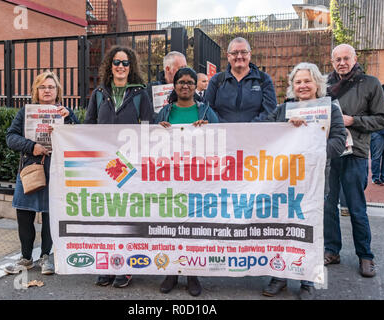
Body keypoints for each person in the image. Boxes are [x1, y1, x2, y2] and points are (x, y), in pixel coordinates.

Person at [262, 62, 346, 300]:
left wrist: (313, 153)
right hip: (284, 182)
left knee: (309, 230)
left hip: (315, 181)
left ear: (317, 83)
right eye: (298, 82)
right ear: (292, 86)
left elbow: (339, 141)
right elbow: (264, 132)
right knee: (281, 228)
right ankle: (279, 276)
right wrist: (284, 127)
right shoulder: (283, 109)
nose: (302, 86)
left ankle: (307, 280)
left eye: (307, 81)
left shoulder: (331, 109)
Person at [85, 45, 153, 287]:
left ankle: (124, 266)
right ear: (110, 65)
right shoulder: (99, 93)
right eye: (116, 62)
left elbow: (148, 129)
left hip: (129, 166)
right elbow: (89, 127)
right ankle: (106, 265)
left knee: (125, 217)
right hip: (104, 164)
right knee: (105, 217)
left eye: (125, 63)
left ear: (131, 66)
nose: (121, 67)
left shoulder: (141, 94)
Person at [324, 44, 384, 278]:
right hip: (330, 153)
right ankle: (332, 250)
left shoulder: (370, 83)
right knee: (328, 205)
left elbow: (383, 120)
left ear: (354, 59)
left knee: (356, 208)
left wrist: (353, 120)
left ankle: (365, 256)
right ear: (332, 62)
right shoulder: (324, 84)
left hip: (356, 153)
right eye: (337, 59)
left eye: (346, 58)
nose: (341, 63)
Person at [5, 71, 79, 275]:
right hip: (30, 170)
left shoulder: (65, 112)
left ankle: (46, 257)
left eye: (51, 87)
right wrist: (31, 146)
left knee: (49, 214)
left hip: (55, 170)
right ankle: (26, 258)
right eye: (43, 87)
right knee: (24, 213)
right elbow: (10, 137)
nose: (47, 90)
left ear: (58, 91)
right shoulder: (25, 112)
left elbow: (78, 137)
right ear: (36, 91)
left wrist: (70, 118)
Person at [155, 67, 219, 297]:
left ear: (195, 86)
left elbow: (221, 140)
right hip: (169, 179)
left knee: (193, 229)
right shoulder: (164, 112)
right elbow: (151, 144)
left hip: (197, 179)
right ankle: (171, 272)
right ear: (174, 86)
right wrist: (157, 130)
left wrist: (208, 130)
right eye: (181, 82)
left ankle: (192, 274)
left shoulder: (206, 111)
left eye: (190, 82)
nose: (185, 86)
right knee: (171, 227)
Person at [204, 37, 277, 122]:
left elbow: (270, 111)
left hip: (256, 133)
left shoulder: (263, 79)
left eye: (243, 52)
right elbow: (208, 109)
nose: (239, 56)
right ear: (228, 56)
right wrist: (227, 127)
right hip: (223, 133)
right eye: (234, 53)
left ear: (249, 54)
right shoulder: (216, 80)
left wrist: (247, 129)